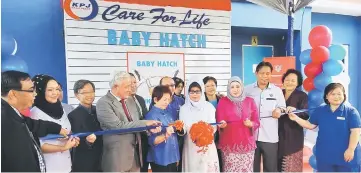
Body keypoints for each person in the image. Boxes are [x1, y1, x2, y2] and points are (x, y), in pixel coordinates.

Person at [1, 71, 69, 172]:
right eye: (31, 90)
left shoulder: (13, 113)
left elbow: (33, 124)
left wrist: (58, 129)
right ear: (13, 94)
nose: (35, 94)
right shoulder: (4, 122)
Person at [96, 71, 162, 172]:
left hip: (136, 156)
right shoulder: (103, 103)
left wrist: (148, 130)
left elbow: (136, 122)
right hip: (117, 157)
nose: (130, 89)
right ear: (116, 86)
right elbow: (117, 126)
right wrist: (145, 123)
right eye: (127, 86)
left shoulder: (131, 100)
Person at [289, 83, 361, 172]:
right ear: (326, 96)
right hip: (325, 156)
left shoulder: (351, 112)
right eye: (333, 94)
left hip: (346, 156)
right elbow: (310, 125)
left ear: (344, 95)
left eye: (339, 94)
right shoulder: (320, 110)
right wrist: (295, 118)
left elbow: (356, 132)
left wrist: (350, 149)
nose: (336, 96)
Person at [30, 74, 80, 172]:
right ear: (40, 91)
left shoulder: (61, 108)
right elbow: (37, 145)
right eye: (50, 90)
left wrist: (72, 139)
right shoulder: (34, 113)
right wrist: (63, 147)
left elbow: (66, 131)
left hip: (66, 165)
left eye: (57, 89)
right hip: (49, 167)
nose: (55, 93)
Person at [244, 61, 286, 172]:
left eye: (268, 73)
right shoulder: (247, 90)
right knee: (253, 168)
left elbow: (282, 107)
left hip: (270, 136)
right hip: (251, 135)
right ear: (256, 73)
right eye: (262, 73)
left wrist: (279, 110)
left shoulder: (277, 91)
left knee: (271, 167)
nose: (265, 76)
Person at [216, 76, 260, 172]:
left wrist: (251, 124)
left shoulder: (250, 101)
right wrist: (221, 125)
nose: (235, 89)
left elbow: (257, 122)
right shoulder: (223, 102)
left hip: (247, 144)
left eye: (237, 86)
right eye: (232, 87)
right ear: (228, 89)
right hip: (229, 144)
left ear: (242, 87)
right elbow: (219, 121)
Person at [179, 77, 220, 172]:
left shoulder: (209, 107)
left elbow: (213, 126)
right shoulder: (183, 109)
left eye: (197, 91)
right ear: (188, 92)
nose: (195, 94)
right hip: (191, 146)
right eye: (192, 91)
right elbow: (183, 128)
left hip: (207, 146)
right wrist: (180, 129)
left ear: (202, 92)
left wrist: (203, 136)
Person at [145, 86, 182, 172]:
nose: (167, 102)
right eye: (164, 99)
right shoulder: (151, 116)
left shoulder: (168, 113)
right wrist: (166, 135)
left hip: (172, 156)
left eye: (168, 99)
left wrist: (176, 156)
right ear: (155, 99)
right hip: (161, 158)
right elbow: (152, 141)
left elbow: (174, 135)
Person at [278, 69, 309, 172]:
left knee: (291, 166)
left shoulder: (302, 95)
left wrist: (296, 112)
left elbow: (306, 114)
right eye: (287, 80)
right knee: (277, 164)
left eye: (293, 80)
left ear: (298, 82)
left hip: (293, 135)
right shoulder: (278, 93)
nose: (289, 82)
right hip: (277, 134)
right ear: (283, 80)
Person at [68, 80, 102, 172]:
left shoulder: (100, 110)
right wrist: (88, 142)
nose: (89, 95)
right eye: (85, 92)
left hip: (101, 159)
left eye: (91, 92)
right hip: (84, 162)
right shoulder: (72, 116)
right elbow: (74, 141)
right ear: (76, 95)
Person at [158, 76, 185, 171]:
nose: (170, 87)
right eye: (166, 85)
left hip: (179, 143)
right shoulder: (156, 101)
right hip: (163, 144)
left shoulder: (181, 101)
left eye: (172, 85)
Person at [129, 72, 150, 172]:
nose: (133, 85)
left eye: (135, 82)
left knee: (144, 168)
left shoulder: (140, 99)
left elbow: (146, 117)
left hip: (144, 141)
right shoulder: (122, 102)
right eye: (130, 83)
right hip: (131, 143)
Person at [203, 76, 224, 171]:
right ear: (203, 87)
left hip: (222, 133)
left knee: (220, 160)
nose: (211, 88)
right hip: (207, 135)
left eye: (213, 85)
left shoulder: (222, 100)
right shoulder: (201, 101)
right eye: (208, 86)